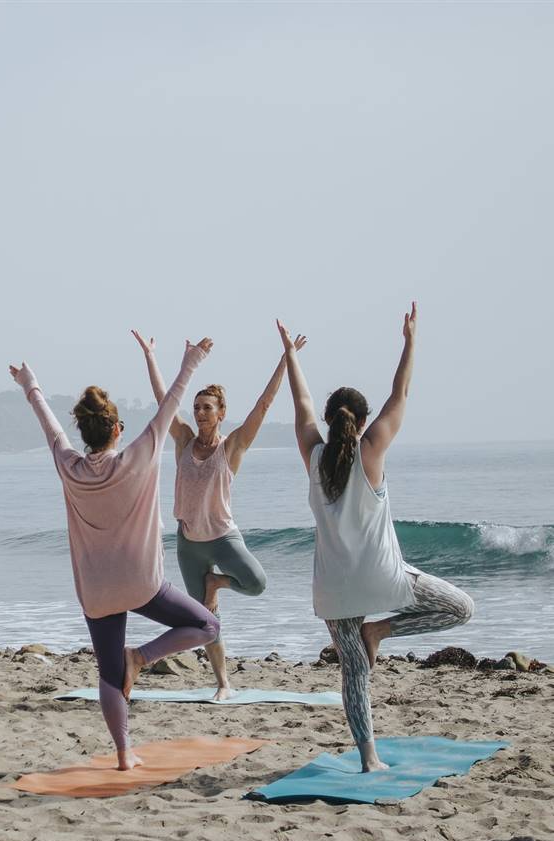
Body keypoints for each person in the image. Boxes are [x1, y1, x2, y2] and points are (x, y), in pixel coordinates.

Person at [278, 303, 473, 771]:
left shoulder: (314, 456)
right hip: (384, 579)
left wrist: (291, 356)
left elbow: (300, 406)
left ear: (329, 421)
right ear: (362, 422)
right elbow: (400, 392)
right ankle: (381, 628)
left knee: (354, 673)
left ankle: (369, 759)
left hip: (334, 590)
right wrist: (409, 342)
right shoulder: (372, 451)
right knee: (461, 608)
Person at [9, 338, 220, 770]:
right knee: (207, 625)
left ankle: (124, 755)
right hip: (142, 583)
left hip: (97, 591)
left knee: (108, 674)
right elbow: (171, 407)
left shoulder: (68, 465)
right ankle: (140, 657)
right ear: (118, 430)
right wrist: (191, 362)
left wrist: (30, 385)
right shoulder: (137, 458)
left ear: (85, 434)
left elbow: (50, 427)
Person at [131, 329, 306, 700]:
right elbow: (165, 400)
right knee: (207, 623)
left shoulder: (234, 446)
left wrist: (284, 359)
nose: (199, 412)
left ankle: (218, 583)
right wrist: (150, 355)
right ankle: (223, 683)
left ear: (221, 413)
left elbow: (264, 404)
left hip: (224, 539)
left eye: (207, 407)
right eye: (196, 407)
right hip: (189, 544)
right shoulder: (181, 440)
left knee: (256, 583)